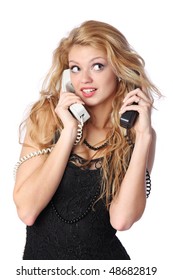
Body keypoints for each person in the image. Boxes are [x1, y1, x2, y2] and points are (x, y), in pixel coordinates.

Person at [13, 20, 161, 260]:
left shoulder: (136, 135)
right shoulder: (46, 117)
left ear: (120, 71)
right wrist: (69, 131)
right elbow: (28, 211)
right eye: (75, 68)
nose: (84, 79)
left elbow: (122, 220)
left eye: (98, 66)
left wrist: (144, 136)